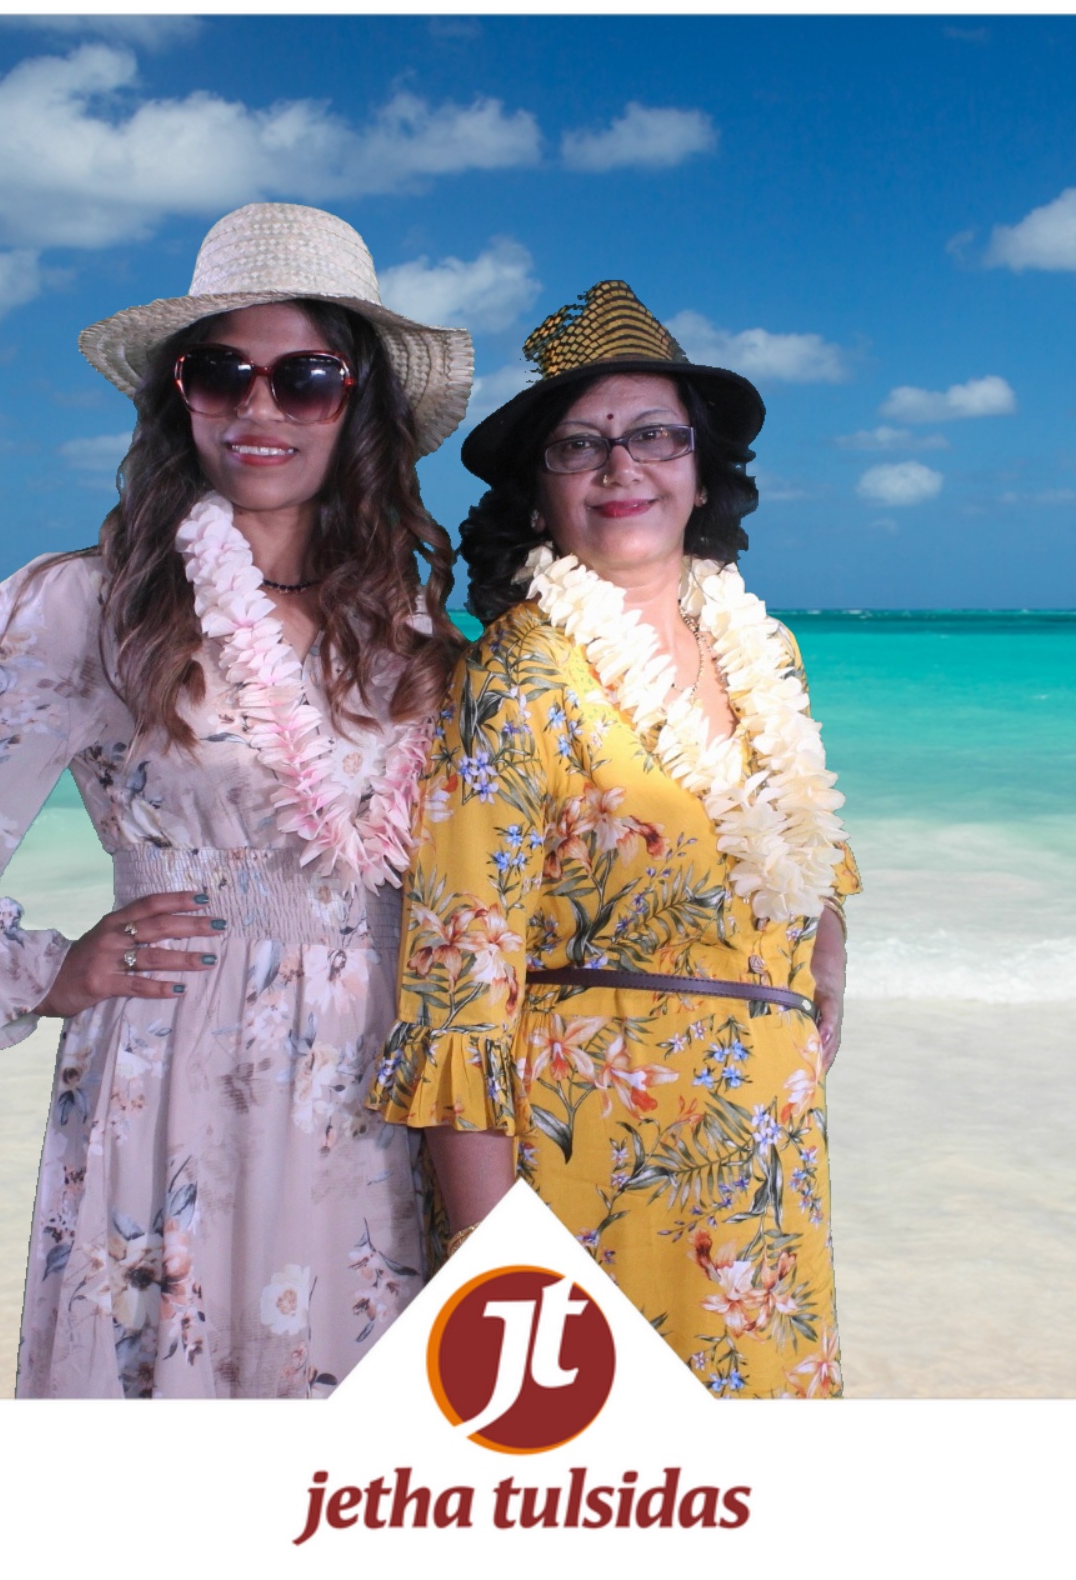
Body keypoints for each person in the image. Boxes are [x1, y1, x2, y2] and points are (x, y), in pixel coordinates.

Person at [0, 203, 473, 1398]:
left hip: (385, 1075)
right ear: (180, 397)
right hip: (181, 1060)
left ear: (357, 404)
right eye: (222, 372)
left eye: (305, 378)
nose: (260, 407)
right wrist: (42, 967)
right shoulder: (97, 605)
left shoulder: (406, 626)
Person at [371, 281, 858, 1399]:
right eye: (578, 445)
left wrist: (826, 933)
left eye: (654, 436)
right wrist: (497, 1274)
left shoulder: (764, 648)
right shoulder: (516, 676)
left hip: (766, 1162)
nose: (620, 466)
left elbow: (798, 828)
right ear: (540, 494)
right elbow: (457, 985)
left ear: (702, 469)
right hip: (590, 1161)